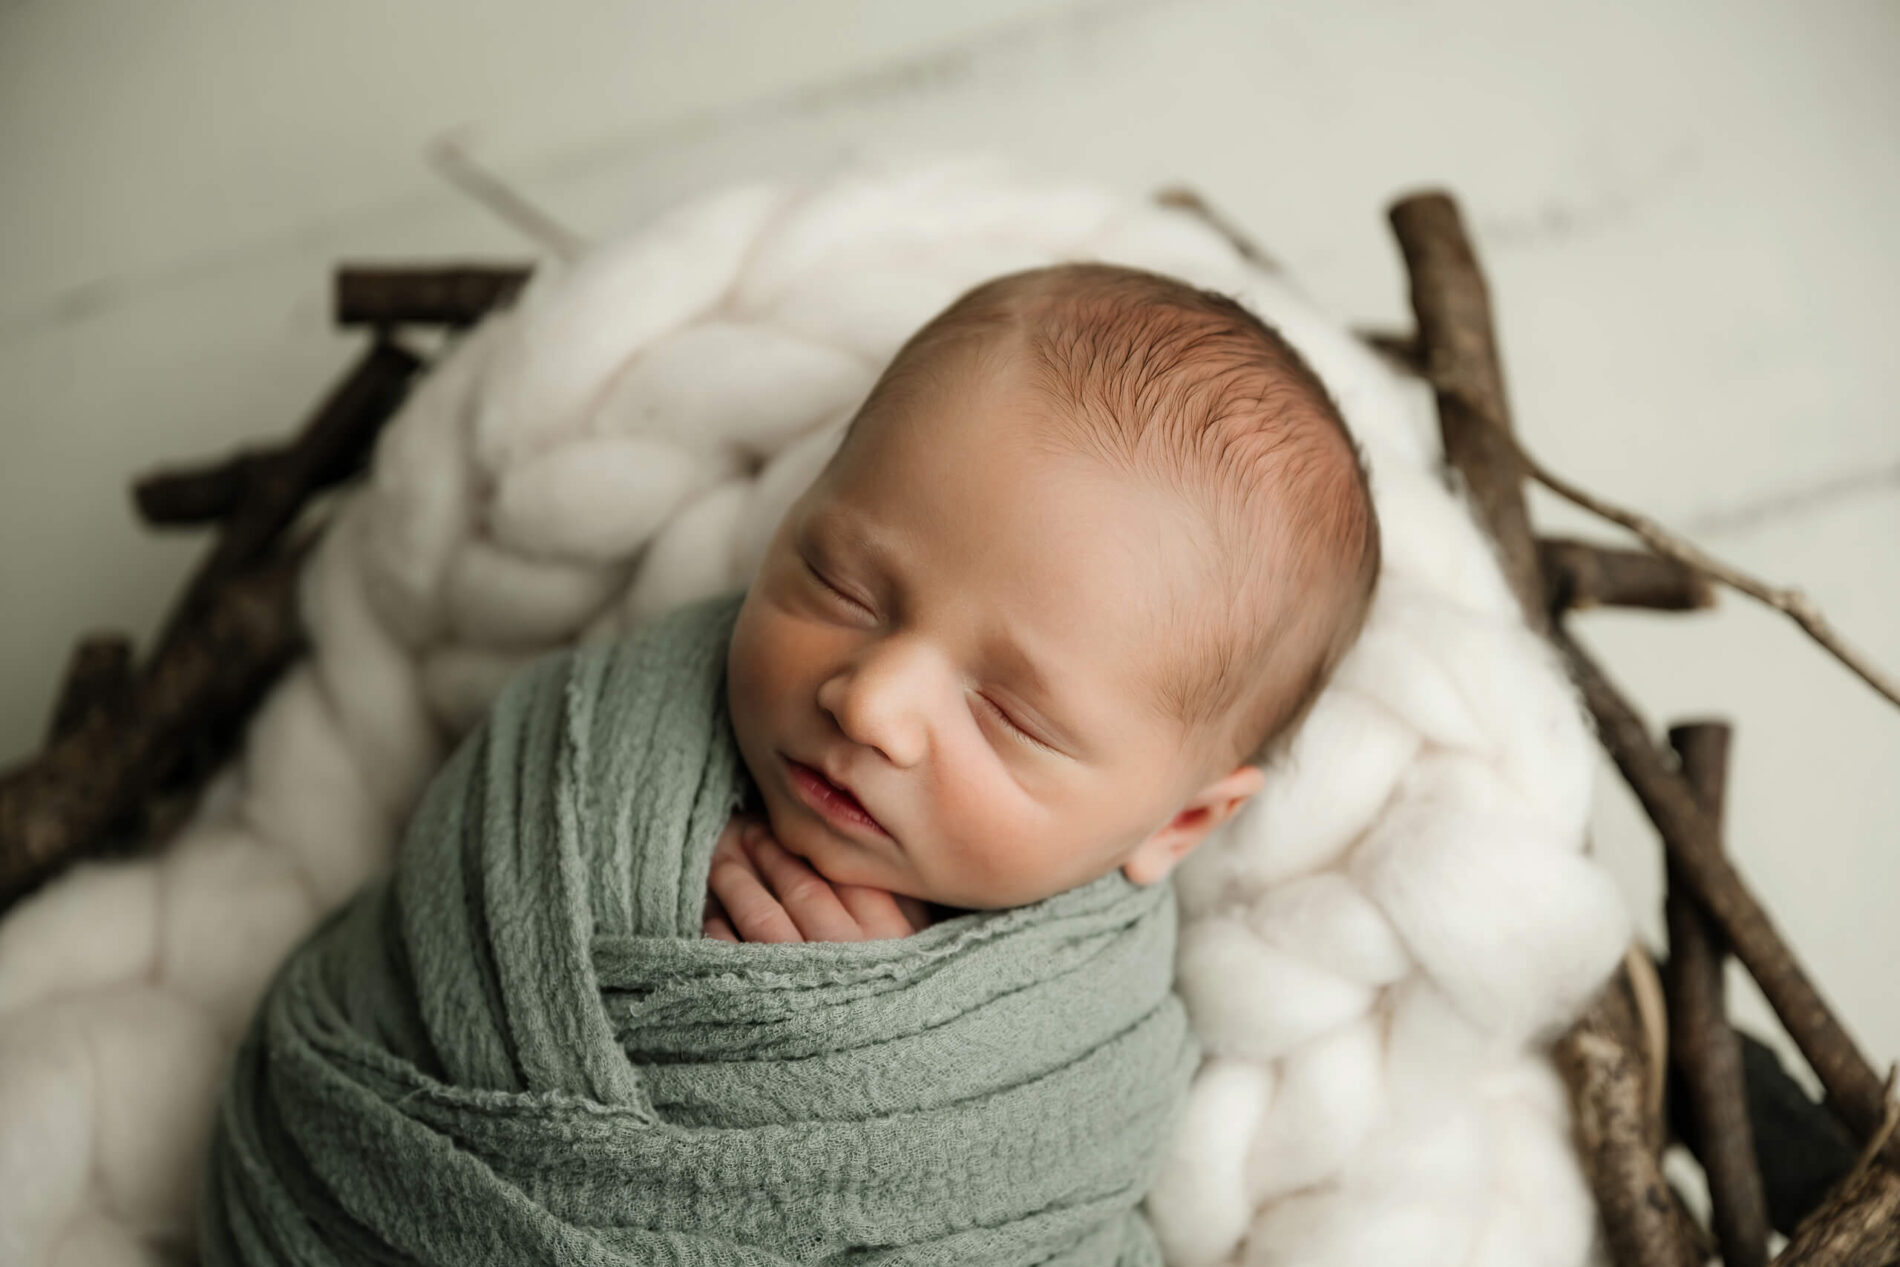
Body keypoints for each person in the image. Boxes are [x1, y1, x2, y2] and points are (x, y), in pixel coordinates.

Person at [702, 260, 1381, 945]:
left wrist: (872, 1040)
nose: (870, 705)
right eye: (837, 584)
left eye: (1012, 718)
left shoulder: (1085, 993)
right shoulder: (646, 707)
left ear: (1178, 823)